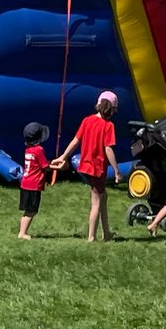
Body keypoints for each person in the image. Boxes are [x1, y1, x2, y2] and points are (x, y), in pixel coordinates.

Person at [50, 91, 122, 242]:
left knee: (103, 196)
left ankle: (106, 233)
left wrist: (63, 156)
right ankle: (91, 237)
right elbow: (108, 149)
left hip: (85, 167)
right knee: (96, 202)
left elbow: (75, 141)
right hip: (97, 169)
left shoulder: (87, 120)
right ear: (112, 109)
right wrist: (116, 171)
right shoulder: (108, 126)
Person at [18, 122, 51, 240]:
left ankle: (22, 231)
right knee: (31, 211)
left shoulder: (29, 150)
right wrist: (59, 167)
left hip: (25, 183)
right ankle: (22, 233)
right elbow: (45, 166)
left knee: (27, 210)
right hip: (34, 185)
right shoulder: (39, 150)